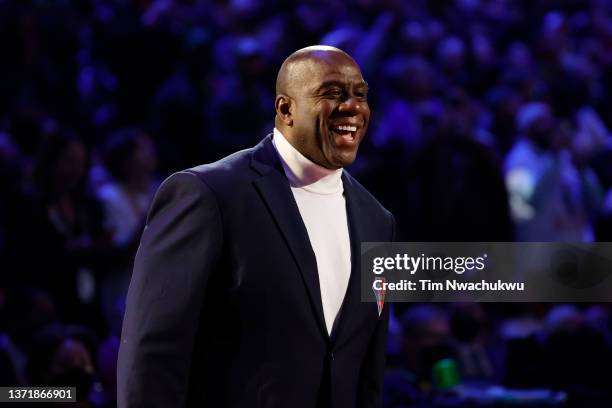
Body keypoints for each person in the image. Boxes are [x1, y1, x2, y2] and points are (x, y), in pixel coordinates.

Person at [117, 45, 395, 408]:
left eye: (360, 94)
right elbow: (152, 353)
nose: (353, 107)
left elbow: (366, 373)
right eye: (333, 93)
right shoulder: (209, 194)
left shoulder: (377, 220)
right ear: (285, 109)